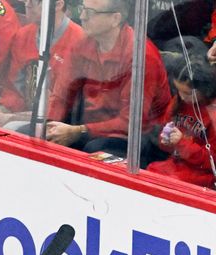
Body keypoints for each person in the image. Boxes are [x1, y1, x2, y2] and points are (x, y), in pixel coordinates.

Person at [45, 0, 171, 159]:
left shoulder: (141, 56)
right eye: (82, 9)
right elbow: (62, 95)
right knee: (32, 134)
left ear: (115, 19)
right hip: (86, 129)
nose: (82, 16)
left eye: (90, 12)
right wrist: (50, 125)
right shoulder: (82, 42)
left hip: (137, 140)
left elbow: (130, 123)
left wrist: (79, 131)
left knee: (94, 150)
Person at [0, 0, 84, 130]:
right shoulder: (23, 35)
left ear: (58, 4)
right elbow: (13, 88)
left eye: (35, 1)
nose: (27, 4)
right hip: (20, 113)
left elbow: (57, 110)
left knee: (10, 129)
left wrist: (11, 117)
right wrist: (1, 112)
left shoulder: (78, 42)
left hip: (56, 125)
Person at [147, 59, 216, 187]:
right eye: (179, 91)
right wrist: (166, 140)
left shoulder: (212, 113)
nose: (182, 97)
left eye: (188, 93)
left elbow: (212, 161)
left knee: (169, 183)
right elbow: (165, 133)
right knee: (151, 172)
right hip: (177, 163)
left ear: (205, 89)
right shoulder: (179, 102)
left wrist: (181, 143)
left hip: (203, 173)